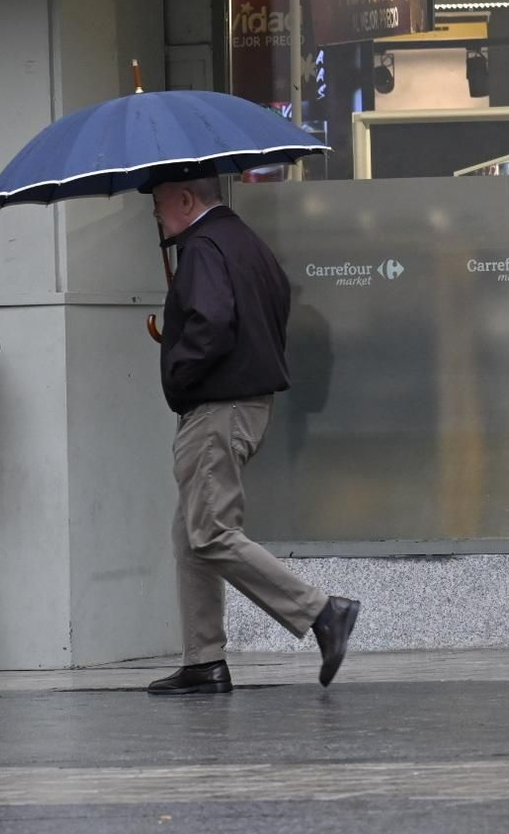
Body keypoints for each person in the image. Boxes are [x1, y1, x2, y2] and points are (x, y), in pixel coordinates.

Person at [143, 163, 359, 695]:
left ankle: (322, 611)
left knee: (211, 532)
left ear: (187, 201)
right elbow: (265, 309)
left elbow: (214, 323)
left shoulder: (203, 248)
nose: (157, 217)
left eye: (159, 205)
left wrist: (178, 367)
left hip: (217, 408)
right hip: (246, 405)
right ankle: (204, 662)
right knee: (190, 534)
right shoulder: (247, 243)